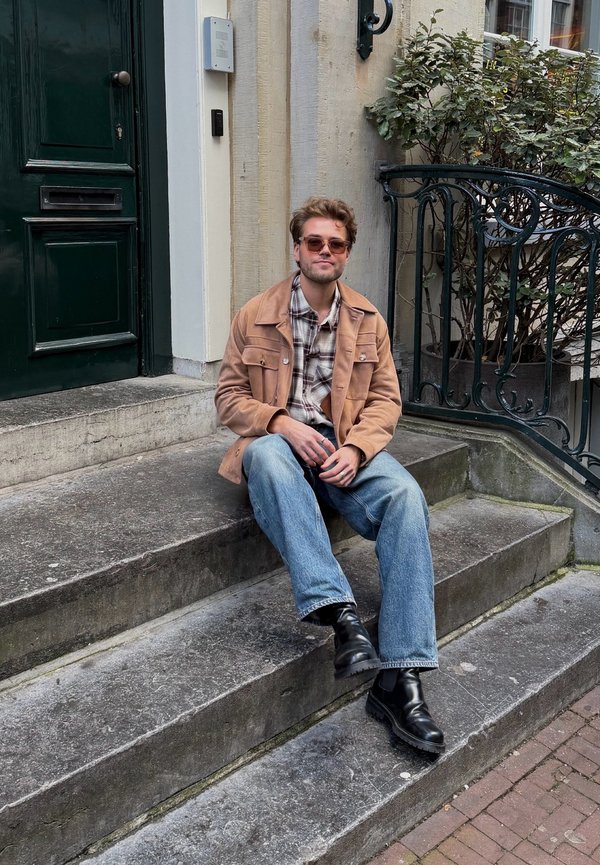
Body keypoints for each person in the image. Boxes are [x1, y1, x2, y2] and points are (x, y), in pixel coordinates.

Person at [215, 196, 444, 755]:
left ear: (346, 253)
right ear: (297, 249)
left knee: (405, 496)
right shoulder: (255, 314)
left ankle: (401, 679)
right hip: (282, 445)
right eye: (314, 242)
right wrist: (281, 424)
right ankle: (342, 616)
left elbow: (385, 401)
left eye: (335, 244)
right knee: (266, 455)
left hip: (343, 448)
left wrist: (359, 449)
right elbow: (229, 398)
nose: (324, 251)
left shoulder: (368, 320)